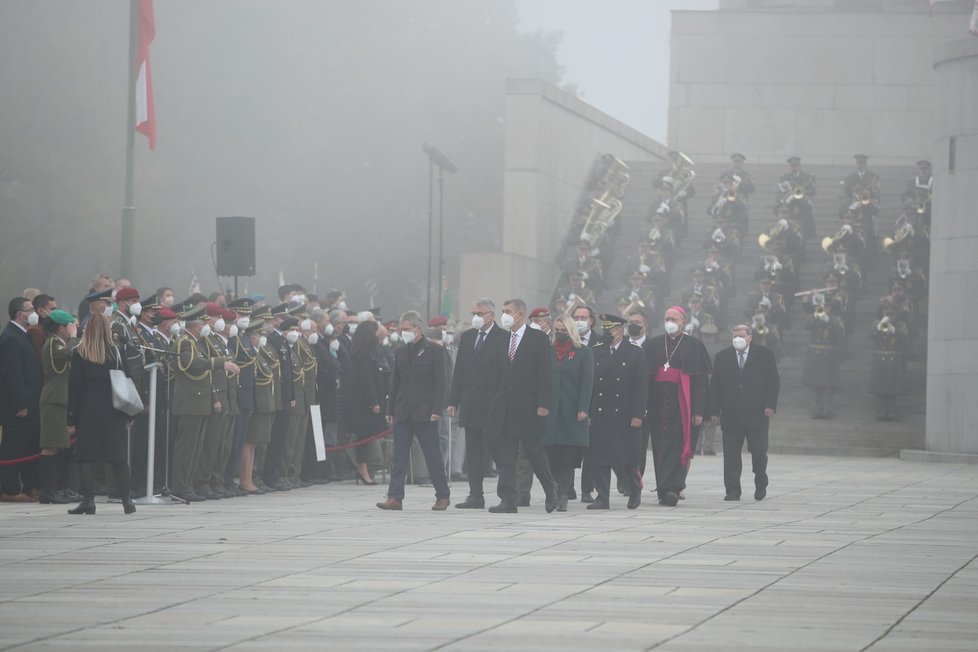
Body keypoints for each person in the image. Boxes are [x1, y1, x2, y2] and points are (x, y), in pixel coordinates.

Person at [485, 298, 558, 514]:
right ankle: (508, 499)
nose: (504, 315)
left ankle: (550, 489)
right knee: (506, 455)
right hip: (505, 406)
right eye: (503, 310)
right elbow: (496, 376)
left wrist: (544, 403)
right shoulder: (501, 340)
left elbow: (545, 373)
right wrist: (494, 404)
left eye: (508, 311)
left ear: (520, 314)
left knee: (534, 452)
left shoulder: (537, 339)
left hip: (529, 406)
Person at [66, 304, 138, 515]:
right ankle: (127, 501)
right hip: (114, 409)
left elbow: (75, 387)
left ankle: (88, 501)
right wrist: (127, 413)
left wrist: (71, 417)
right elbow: (127, 381)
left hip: (89, 410)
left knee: (86, 457)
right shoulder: (116, 351)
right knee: (118, 458)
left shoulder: (80, 352)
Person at [377, 311, 451, 511]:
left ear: (419, 328)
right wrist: (390, 408)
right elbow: (395, 383)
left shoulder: (434, 351)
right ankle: (395, 497)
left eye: (407, 330)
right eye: (402, 330)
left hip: (426, 412)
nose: (404, 333)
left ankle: (442, 495)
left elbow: (440, 383)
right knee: (399, 456)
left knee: (432, 455)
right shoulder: (401, 351)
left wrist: (437, 409)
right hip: (403, 411)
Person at [644, 306, 712, 507]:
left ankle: (674, 487)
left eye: (674, 318)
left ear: (683, 321)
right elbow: (646, 378)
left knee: (679, 445)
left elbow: (700, 382)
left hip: (683, 404)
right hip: (657, 403)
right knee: (659, 446)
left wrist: (699, 410)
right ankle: (662, 488)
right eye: (667, 318)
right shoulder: (654, 344)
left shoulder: (694, 345)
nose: (670, 322)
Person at [707, 325, 780, 502]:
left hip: (756, 413)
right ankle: (732, 490)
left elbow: (773, 381)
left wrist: (770, 404)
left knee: (759, 452)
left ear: (749, 338)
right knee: (731, 454)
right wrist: (713, 411)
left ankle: (760, 480)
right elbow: (715, 386)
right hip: (731, 413)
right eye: (734, 336)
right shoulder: (722, 357)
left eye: (741, 336)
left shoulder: (764, 355)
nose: (737, 339)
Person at [448, 299, 507, 509]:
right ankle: (475, 495)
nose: (476, 317)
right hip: (471, 403)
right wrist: (453, 400)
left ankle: (508, 493)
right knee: (473, 452)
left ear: (491, 315)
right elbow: (460, 371)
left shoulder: (503, 337)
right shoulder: (468, 337)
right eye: (474, 312)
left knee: (497, 451)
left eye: (480, 313)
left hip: (493, 404)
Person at [586, 314, 648, 510]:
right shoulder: (596, 352)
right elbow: (590, 384)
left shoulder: (635, 353)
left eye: (611, 330)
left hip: (625, 414)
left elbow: (641, 386)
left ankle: (634, 489)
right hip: (601, 412)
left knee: (626, 458)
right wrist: (587, 410)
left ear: (621, 331)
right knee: (600, 457)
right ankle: (602, 496)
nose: (607, 333)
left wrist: (638, 414)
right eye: (605, 330)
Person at [542, 314, 593, 512]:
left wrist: (583, 407)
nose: (560, 333)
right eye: (558, 330)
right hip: (551, 410)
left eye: (564, 330)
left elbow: (587, 382)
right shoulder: (548, 351)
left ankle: (564, 492)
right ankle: (552, 490)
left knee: (568, 455)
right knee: (551, 453)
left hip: (572, 410)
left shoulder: (583, 352)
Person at [0, 297, 45, 502]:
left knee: (28, 446)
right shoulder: (11, 337)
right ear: (20, 314)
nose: (34, 312)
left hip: (31, 404)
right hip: (18, 407)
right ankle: (9, 490)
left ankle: (30, 486)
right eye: (30, 309)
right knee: (14, 448)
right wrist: (22, 403)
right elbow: (12, 375)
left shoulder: (23, 335)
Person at [37, 310, 79, 504]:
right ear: (61, 328)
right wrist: (74, 338)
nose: (72, 330)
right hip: (53, 400)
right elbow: (68, 355)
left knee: (57, 446)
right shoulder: (53, 344)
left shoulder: (59, 343)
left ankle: (55, 489)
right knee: (50, 446)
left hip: (60, 400)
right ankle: (47, 491)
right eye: (70, 326)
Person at [347, 320, 387, 486]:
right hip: (364, 404)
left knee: (368, 436)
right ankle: (362, 468)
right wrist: (373, 402)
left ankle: (365, 467)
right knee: (363, 435)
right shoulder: (364, 354)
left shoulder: (371, 352)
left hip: (370, 401)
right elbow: (366, 380)